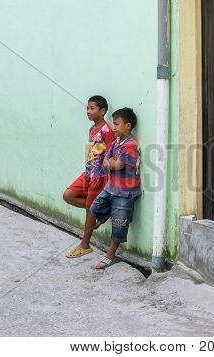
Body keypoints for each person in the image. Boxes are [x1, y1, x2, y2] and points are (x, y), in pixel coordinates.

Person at [63, 95, 115, 258]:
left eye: (92, 108)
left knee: (89, 209)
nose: (88, 111)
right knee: (68, 195)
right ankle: (101, 212)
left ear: (102, 111)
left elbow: (111, 155)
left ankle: (84, 245)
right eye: (87, 108)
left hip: (99, 176)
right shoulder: (92, 129)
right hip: (88, 172)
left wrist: (105, 178)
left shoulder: (108, 131)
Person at [90, 107, 141, 269]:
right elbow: (106, 159)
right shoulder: (116, 142)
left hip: (125, 192)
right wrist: (111, 163)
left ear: (128, 125)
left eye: (116, 124)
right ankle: (105, 216)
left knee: (119, 224)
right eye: (113, 123)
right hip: (111, 187)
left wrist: (111, 163)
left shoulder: (131, 145)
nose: (113, 126)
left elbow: (118, 165)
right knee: (94, 207)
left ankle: (111, 255)